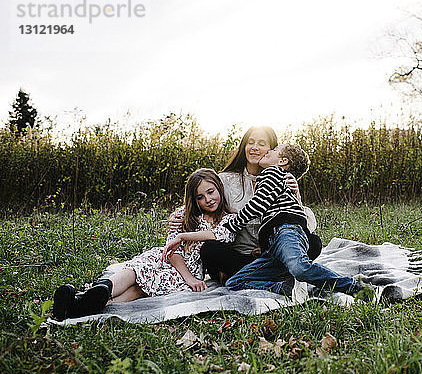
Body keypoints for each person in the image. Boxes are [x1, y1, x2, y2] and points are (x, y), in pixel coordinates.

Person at [52, 168, 235, 321]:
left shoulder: (229, 219)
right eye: (200, 197)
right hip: (166, 258)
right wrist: (179, 239)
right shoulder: (183, 215)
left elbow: (220, 236)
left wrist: (189, 272)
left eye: (210, 192)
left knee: (143, 289)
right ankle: (102, 289)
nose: (207, 200)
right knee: (138, 269)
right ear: (193, 200)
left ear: (219, 188)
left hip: (189, 271)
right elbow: (173, 250)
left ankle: (82, 305)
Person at [167, 126, 322, 284]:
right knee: (209, 249)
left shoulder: (284, 179)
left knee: (314, 242)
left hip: (273, 251)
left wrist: (297, 196)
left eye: (262, 143)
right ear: (244, 146)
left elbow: (300, 222)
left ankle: (255, 274)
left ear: (271, 150)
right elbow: (203, 196)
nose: (255, 148)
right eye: (251, 142)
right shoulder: (225, 179)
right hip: (237, 253)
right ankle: (274, 273)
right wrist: (179, 215)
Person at [224, 143, 364, 296]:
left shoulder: (272, 173)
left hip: (287, 230)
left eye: (274, 150)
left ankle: (355, 287)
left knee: (300, 268)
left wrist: (231, 225)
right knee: (235, 282)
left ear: (282, 161)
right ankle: (285, 288)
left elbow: (258, 204)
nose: (269, 151)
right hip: (273, 245)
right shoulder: (279, 178)